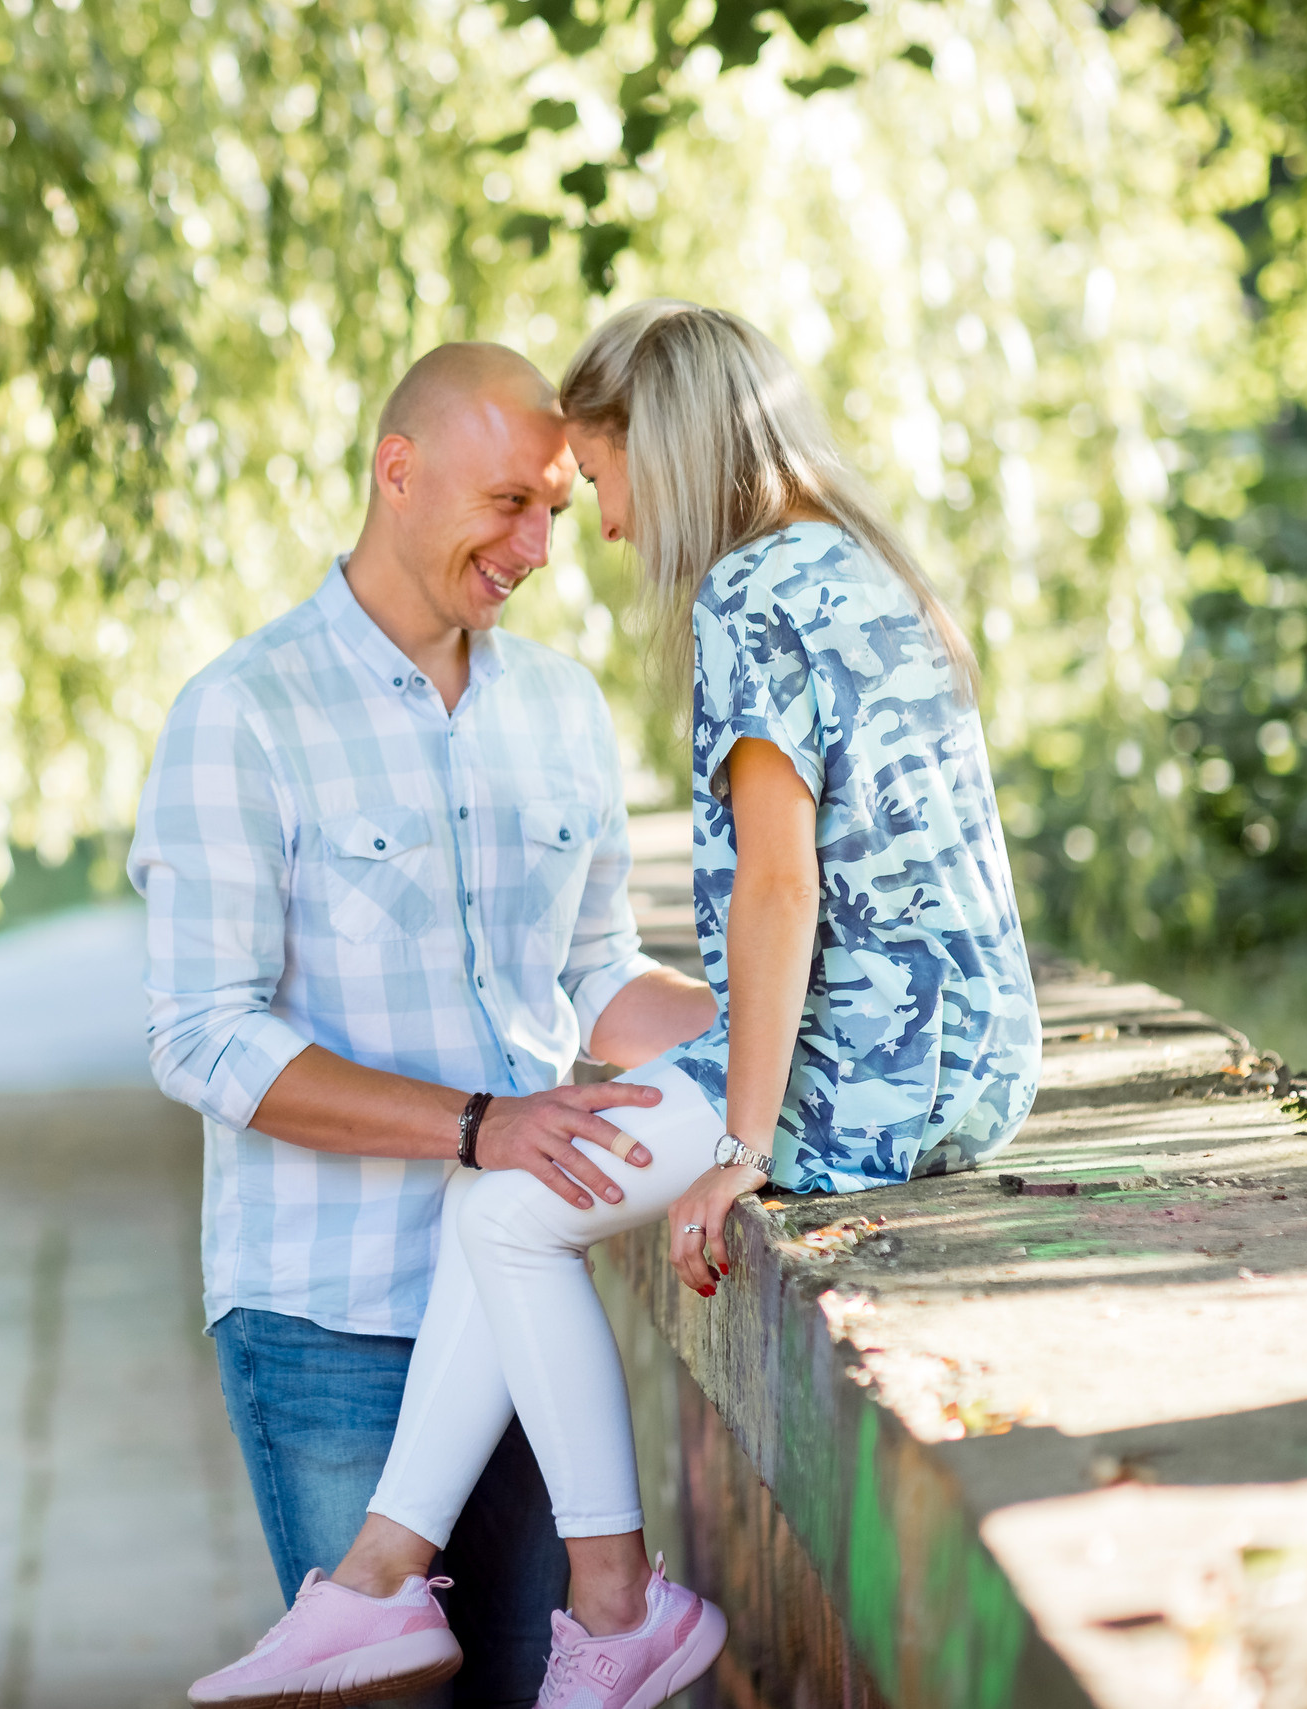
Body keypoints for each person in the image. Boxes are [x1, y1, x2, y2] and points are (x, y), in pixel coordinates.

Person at [180, 301, 1041, 1709]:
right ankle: (384, 1582)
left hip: (865, 1064)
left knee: (511, 1199)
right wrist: (698, 1068)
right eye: (523, 499)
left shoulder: (753, 593)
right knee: (516, 1183)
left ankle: (607, 1602)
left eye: (594, 481)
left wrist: (736, 1141)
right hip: (956, 1048)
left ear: (670, 444)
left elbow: (779, 889)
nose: (603, 528)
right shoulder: (860, 568)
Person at [129, 342, 722, 1708]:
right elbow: (203, 1036)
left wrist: (780, 1022)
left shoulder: (561, 711)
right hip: (328, 1313)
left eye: (558, 513)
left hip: (522, 1303)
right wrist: (478, 1127)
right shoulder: (242, 714)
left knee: (532, 1684)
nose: (537, 547)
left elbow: (600, 977)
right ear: (398, 473)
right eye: (509, 502)